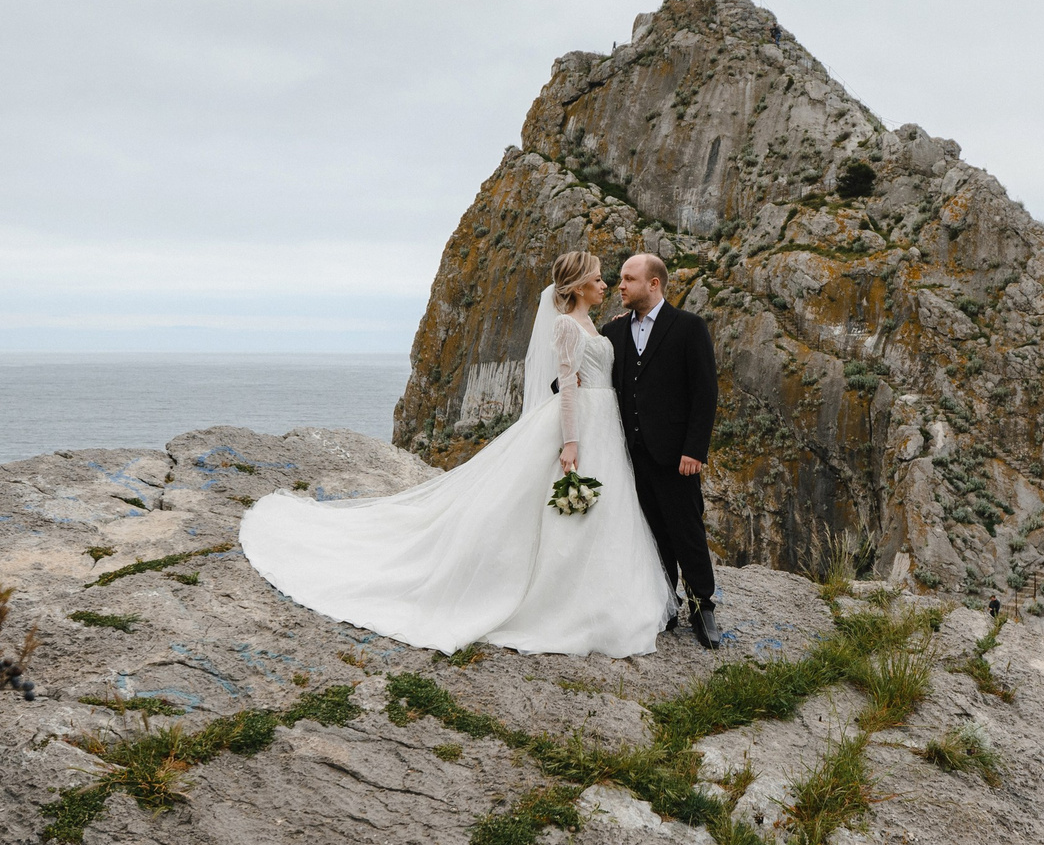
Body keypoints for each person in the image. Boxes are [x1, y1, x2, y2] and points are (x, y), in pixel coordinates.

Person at [238, 252, 668, 657]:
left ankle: (598, 595)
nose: (605, 282)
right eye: (596, 277)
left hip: (605, 422)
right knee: (560, 507)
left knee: (604, 510)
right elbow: (569, 385)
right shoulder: (566, 327)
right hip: (581, 422)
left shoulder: (595, 325)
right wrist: (571, 441)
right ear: (577, 286)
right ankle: (559, 598)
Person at [607, 253, 721, 649]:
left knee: (686, 527)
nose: (620, 285)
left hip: (676, 455)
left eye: (628, 278)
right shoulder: (615, 330)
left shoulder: (689, 327)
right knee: (652, 531)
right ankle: (665, 602)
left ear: (653, 283)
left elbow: (705, 393)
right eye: (621, 278)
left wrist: (695, 449)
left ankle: (703, 605)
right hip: (632, 454)